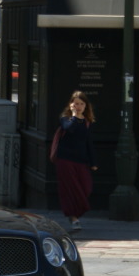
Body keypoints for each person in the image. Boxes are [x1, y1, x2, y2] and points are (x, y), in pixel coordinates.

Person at [50, 90, 97, 232]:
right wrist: (75, 116)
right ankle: (74, 218)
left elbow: (88, 143)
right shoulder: (66, 119)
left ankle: (75, 215)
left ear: (86, 106)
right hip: (65, 160)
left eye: (82, 104)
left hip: (81, 161)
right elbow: (69, 129)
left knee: (86, 188)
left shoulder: (87, 123)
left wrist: (93, 162)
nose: (79, 106)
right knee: (70, 189)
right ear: (71, 105)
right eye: (76, 103)